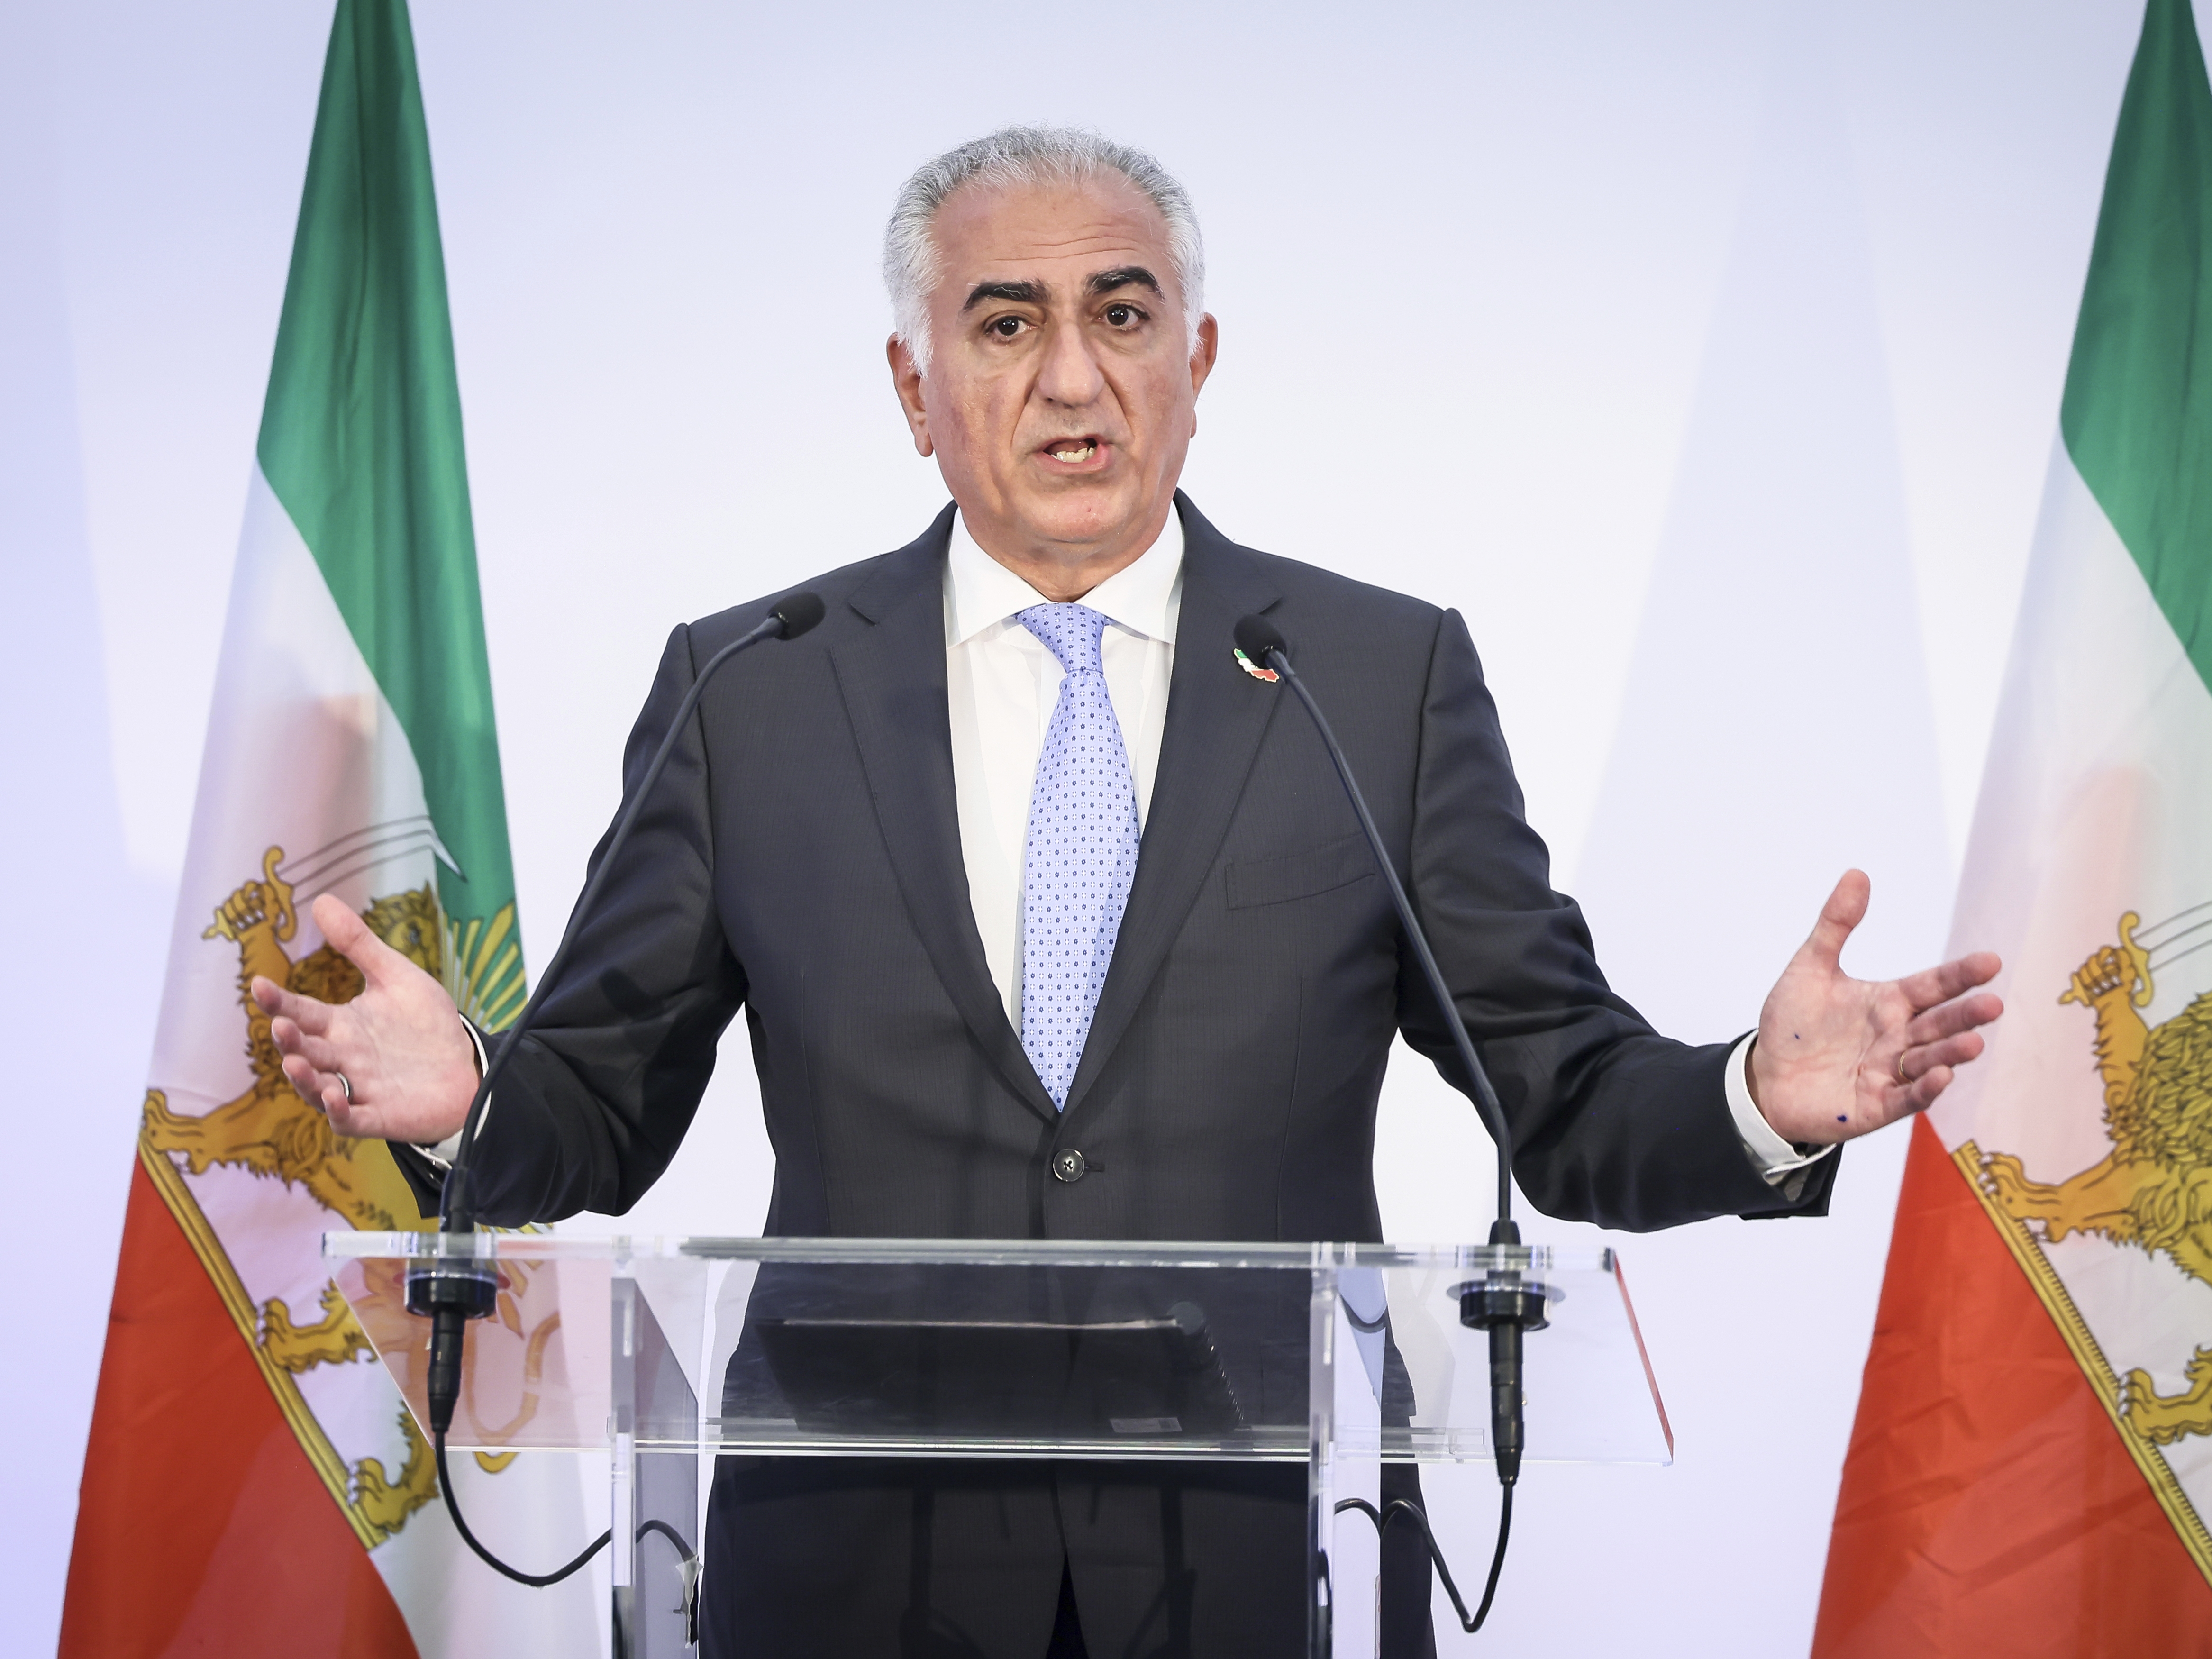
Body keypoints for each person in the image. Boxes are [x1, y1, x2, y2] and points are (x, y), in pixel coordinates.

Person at [254, 127, 2003, 1659]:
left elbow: (1556, 1087)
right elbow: (601, 1098)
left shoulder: (1371, 676)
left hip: (1263, 1552)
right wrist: (475, 1091)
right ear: (912, 386)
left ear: (1198, 353)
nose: (1071, 377)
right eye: (1004, 323)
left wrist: (1751, 1102)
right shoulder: (753, 685)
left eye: (1121, 311)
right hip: (857, 1559)